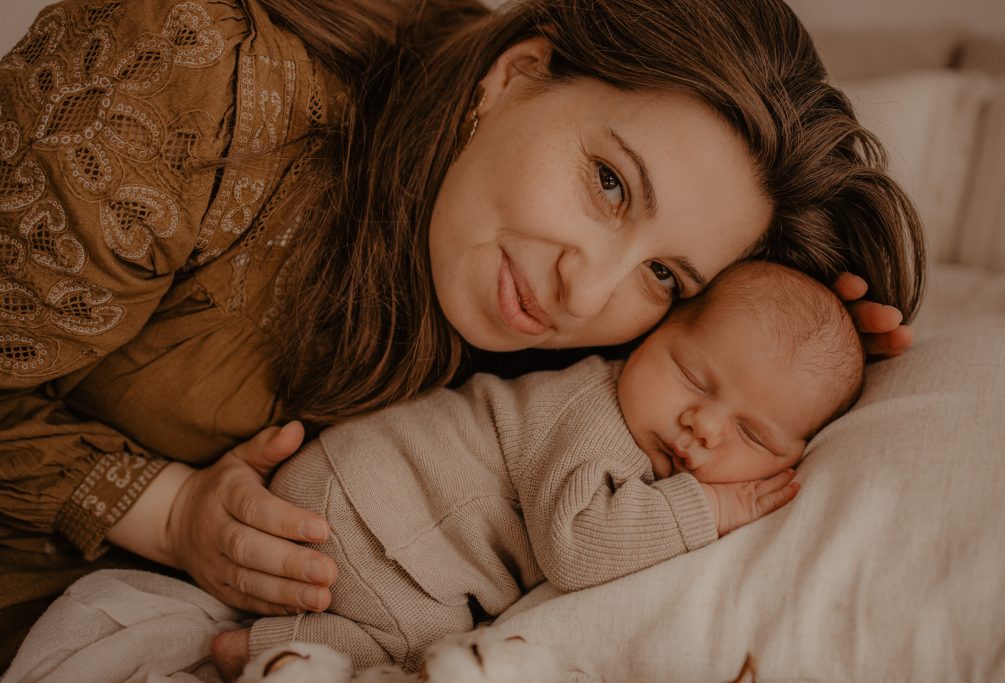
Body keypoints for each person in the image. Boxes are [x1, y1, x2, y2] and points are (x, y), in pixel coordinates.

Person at [0, 0, 923, 666]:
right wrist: (170, 513)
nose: (587, 288)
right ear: (516, 74)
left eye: (663, 274)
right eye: (608, 182)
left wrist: (784, 340)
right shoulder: (181, 80)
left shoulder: (581, 356)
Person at [211, 260, 865, 676]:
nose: (706, 425)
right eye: (692, 375)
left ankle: (263, 644)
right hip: (370, 504)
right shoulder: (594, 413)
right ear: (652, 336)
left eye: (751, 432)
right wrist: (712, 507)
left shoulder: (646, 428)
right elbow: (577, 546)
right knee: (427, 639)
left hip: (382, 508)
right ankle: (273, 649)